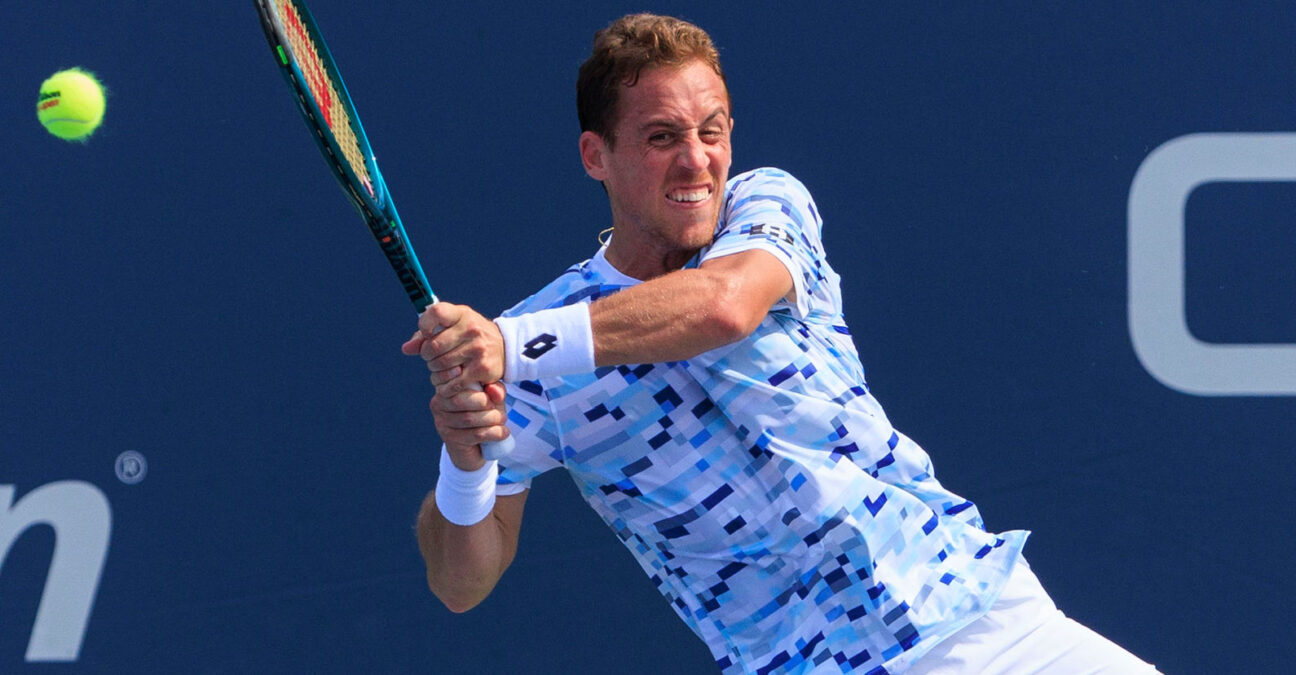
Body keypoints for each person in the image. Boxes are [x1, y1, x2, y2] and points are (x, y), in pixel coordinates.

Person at [401, 13, 1155, 674]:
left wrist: (509, 342)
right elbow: (461, 583)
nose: (697, 160)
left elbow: (722, 307)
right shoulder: (528, 366)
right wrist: (465, 455)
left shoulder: (765, 204)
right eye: (662, 137)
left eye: (712, 130)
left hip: (984, 622)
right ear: (596, 156)